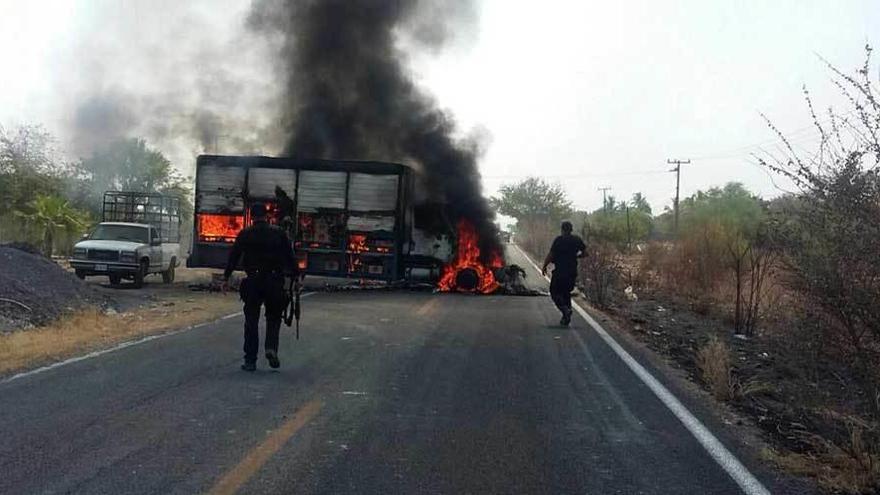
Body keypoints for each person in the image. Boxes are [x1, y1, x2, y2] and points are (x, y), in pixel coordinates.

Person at [224, 202, 298, 371]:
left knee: (251, 321)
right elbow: (290, 257)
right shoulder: (279, 234)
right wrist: (296, 276)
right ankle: (271, 348)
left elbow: (234, 256)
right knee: (273, 317)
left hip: (253, 281)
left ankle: (250, 360)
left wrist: (226, 277)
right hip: (274, 281)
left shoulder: (245, 234)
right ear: (267, 216)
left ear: (251, 217)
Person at [541, 221, 586, 326]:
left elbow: (551, 255)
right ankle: (566, 317)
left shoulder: (559, 240)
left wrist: (544, 266)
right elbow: (585, 253)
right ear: (571, 229)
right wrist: (577, 256)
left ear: (562, 229)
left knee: (554, 292)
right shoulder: (577, 240)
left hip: (560, 271)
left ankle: (565, 310)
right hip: (572, 271)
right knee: (566, 293)